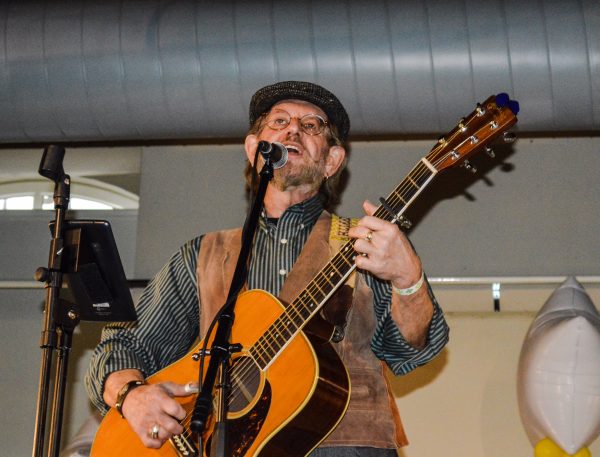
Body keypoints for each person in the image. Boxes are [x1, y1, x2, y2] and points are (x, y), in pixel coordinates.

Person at [85, 80, 449, 456]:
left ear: (332, 160)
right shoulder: (203, 254)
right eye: (278, 121)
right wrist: (131, 395)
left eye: (311, 125)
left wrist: (409, 280)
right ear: (253, 149)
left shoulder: (369, 243)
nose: (293, 129)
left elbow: (411, 352)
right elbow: (124, 345)